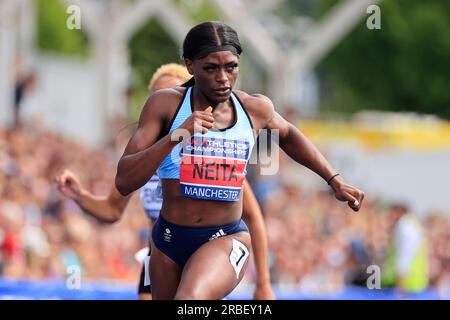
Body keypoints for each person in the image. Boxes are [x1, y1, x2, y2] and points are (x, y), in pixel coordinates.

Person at [114, 21, 365, 300]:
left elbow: (290, 136)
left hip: (225, 237)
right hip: (168, 240)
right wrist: (177, 135)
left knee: (190, 301)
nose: (223, 78)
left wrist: (335, 180)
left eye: (231, 67)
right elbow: (124, 180)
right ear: (190, 66)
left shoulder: (255, 109)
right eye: (211, 68)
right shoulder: (165, 105)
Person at [55, 63, 274, 300]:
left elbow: (252, 217)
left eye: (172, 93)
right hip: (161, 256)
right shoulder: (142, 162)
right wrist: (79, 195)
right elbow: (111, 210)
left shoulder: (209, 156)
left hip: (205, 253)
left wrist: (262, 283)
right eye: (157, 96)